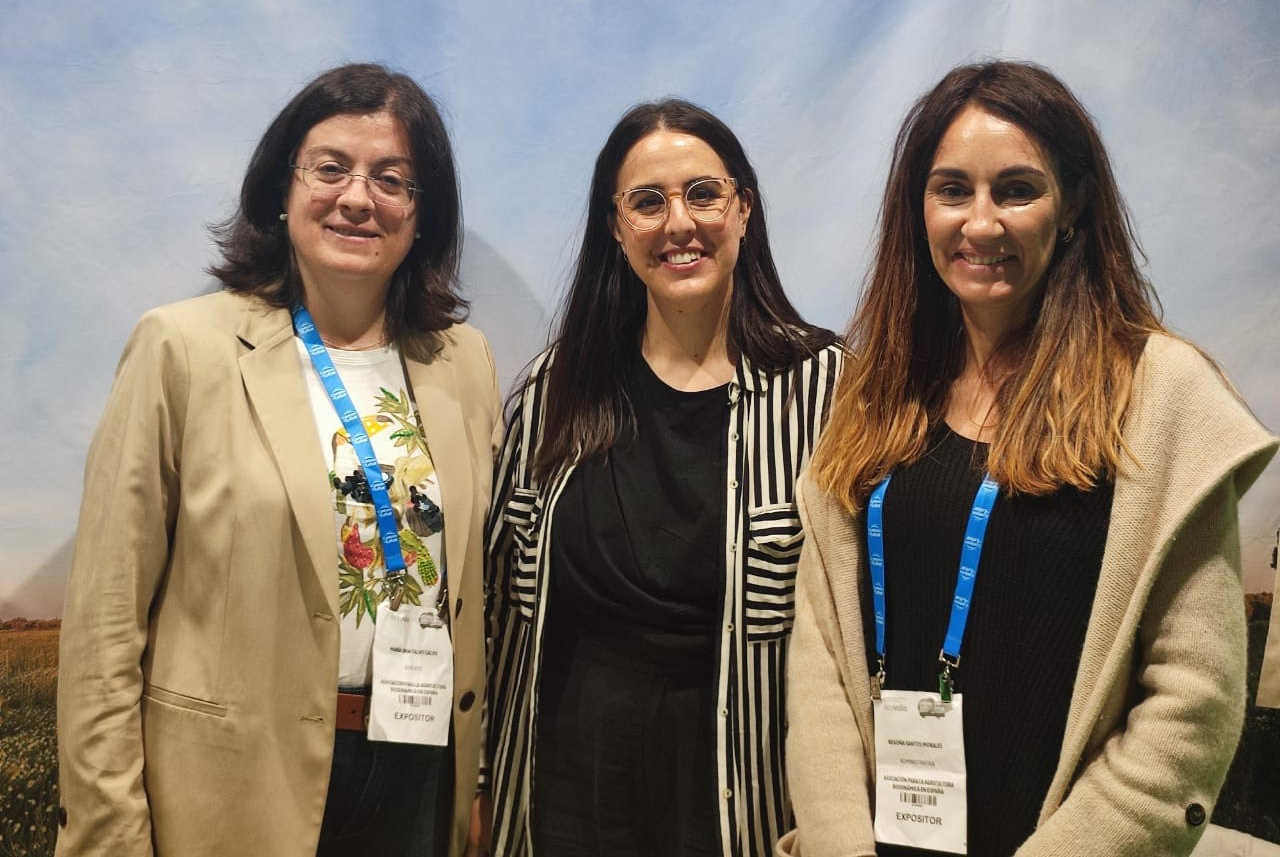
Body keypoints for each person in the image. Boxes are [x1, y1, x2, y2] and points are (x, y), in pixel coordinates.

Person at [779, 60, 1278, 857]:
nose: (981, 223)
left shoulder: (1158, 395)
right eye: (952, 190)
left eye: (1015, 189)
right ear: (918, 209)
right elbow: (823, 663)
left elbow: (1193, 702)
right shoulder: (874, 392)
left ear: (1073, 205)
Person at [56, 63, 501, 857]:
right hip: (231, 787)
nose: (358, 197)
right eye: (331, 168)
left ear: (422, 213)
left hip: (418, 775)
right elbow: (104, 625)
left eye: (393, 179)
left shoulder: (463, 362)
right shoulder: (181, 348)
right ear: (281, 188)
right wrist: (106, 835)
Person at [482, 99, 841, 857]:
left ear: (743, 208)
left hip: (744, 788)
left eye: (703, 194)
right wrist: (482, 779)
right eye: (647, 202)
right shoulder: (556, 389)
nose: (679, 223)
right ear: (616, 230)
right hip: (567, 785)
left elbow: (862, 623)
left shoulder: (828, 390)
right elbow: (493, 607)